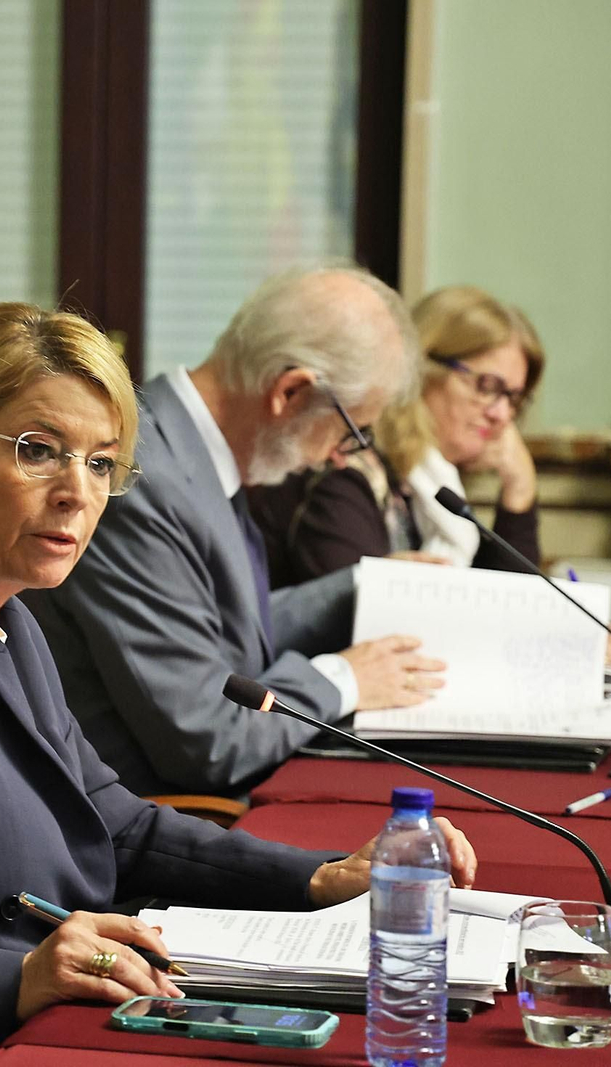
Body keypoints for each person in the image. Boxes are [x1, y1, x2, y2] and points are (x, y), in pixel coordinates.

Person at [0, 302, 476, 1060]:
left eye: (101, 462)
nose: (78, 491)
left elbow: (115, 825)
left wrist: (319, 876)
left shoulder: (4, 607)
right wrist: (17, 976)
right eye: (38, 450)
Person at [24, 267, 447, 799]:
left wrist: (362, 585)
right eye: (352, 430)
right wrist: (346, 679)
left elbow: (227, 636)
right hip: (151, 819)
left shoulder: (191, 449)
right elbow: (210, 739)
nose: (341, 456)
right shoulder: (140, 475)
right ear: (291, 391)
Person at [253, 285, 545, 586]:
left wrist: (519, 489)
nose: (502, 414)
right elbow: (351, 610)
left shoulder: (427, 484)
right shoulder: (343, 468)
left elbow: (504, 602)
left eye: (513, 398)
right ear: (422, 368)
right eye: (488, 386)